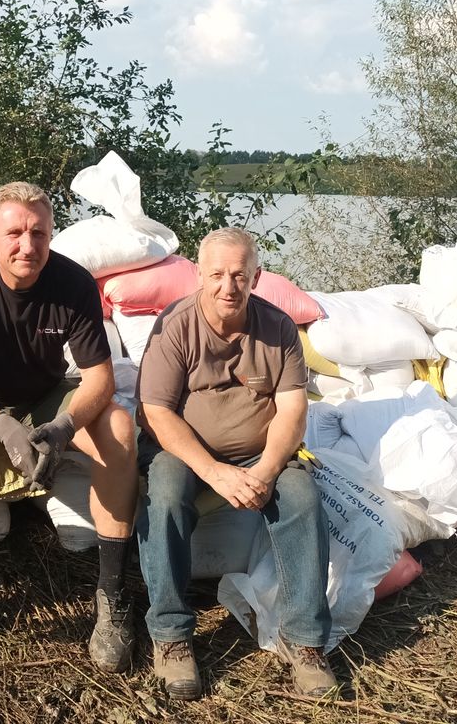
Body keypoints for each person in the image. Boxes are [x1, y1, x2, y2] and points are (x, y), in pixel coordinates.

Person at [0, 181, 138, 681]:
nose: (27, 246)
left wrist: (62, 427)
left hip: (46, 399)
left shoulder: (72, 282)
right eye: (14, 232)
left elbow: (99, 376)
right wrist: (0, 424)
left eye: (39, 233)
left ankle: (113, 595)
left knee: (119, 427)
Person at [134, 227, 336, 701]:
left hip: (259, 452)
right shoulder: (175, 326)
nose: (229, 287)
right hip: (183, 451)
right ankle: (171, 635)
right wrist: (215, 472)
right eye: (218, 275)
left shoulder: (279, 328)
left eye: (240, 276)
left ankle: (305, 641)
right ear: (199, 276)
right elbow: (157, 413)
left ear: (257, 277)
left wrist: (266, 471)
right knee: (162, 496)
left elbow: (292, 411)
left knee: (303, 497)